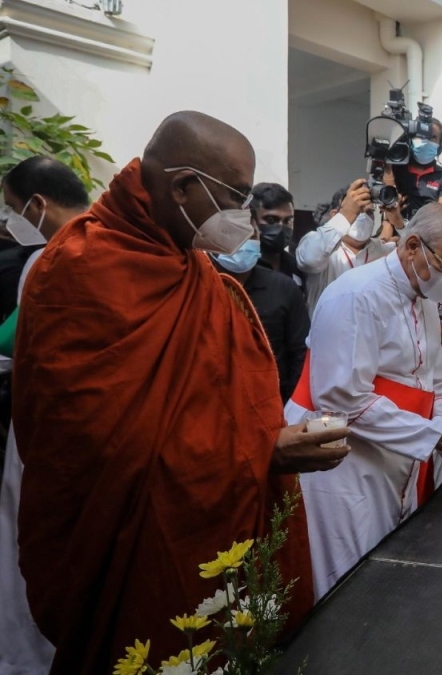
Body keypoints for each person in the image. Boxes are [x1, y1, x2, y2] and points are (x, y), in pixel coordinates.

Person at [11, 111, 350, 674]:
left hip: (210, 532)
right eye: (236, 196)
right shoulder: (78, 269)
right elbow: (102, 454)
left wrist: (267, 438)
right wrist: (261, 452)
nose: (245, 216)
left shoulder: (188, 264)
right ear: (183, 187)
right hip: (137, 545)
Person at [287, 203, 442, 599]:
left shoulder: (421, 296)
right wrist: (435, 436)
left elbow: (437, 384)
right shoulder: (355, 294)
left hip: (398, 457)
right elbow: (341, 399)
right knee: (347, 586)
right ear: (413, 246)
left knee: (391, 582)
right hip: (346, 467)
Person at [0, 156, 90, 675]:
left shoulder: (53, 256)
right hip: (99, 436)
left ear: (37, 204)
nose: (11, 220)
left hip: (45, 430)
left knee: (26, 554)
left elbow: (14, 340)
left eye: (13, 208)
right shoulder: (121, 241)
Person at [211, 235, 310, 402]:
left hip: (271, 403)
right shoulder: (196, 285)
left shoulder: (283, 288)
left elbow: (300, 352)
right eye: (232, 233)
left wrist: (289, 407)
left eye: (250, 232)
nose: (242, 241)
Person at [296, 180, 395, 313]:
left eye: (369, 212)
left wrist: (399, 222)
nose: (364, 217)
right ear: (335, 215)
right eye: (358, 211)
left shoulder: (382, 250)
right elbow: (309, 260)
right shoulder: (323, 245)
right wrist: (346, 214)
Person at [395, 119, 442, 220]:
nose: (425, 142)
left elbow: (439, 219)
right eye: (421, 135)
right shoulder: (396, 170)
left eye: (433, 137)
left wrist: (397, 219)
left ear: (440, 145)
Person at [251, 182, 303, 287]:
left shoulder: (297, 266)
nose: (281, 228)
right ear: (253, 221)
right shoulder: (243, 266)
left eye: (287, 221)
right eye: (271, 220)